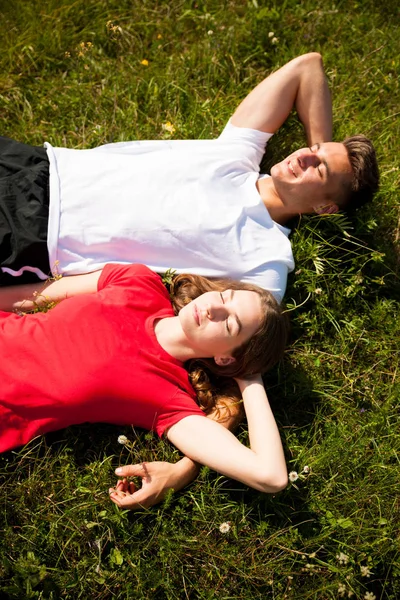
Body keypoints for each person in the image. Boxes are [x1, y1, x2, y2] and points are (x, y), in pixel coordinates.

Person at [0, 53, 379, 311]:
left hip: (34, 237)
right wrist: (321, 148)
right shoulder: (239, 153)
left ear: (325, 208)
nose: (304, 155)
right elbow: (307, 67)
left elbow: (252, 335)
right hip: (40, 165)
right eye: (313, 148)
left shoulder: (266, 262)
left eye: (320, 168)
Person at [0, 263, 290, 507]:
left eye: (230, 324)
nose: (214, 307)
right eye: (225, 297)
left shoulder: (168, 398)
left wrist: (249, 378)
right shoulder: (139, 281)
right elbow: (33, 296)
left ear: (225, 358)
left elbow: (271, 476)